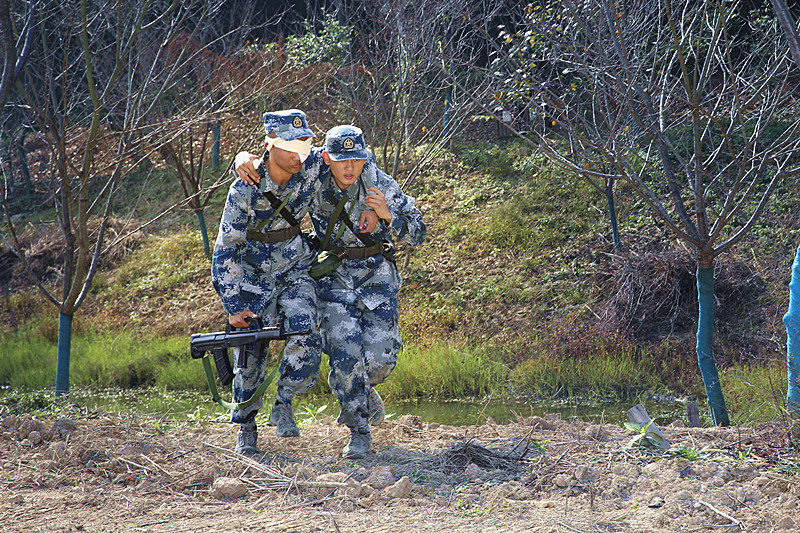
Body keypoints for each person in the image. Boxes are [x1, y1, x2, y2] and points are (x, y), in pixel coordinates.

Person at [212, 109, 324, 454]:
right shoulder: (244, 188)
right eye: (290, 145)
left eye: (303, 145)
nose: (298, 154)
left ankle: (284, 402)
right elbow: (226, 249)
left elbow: (349, 155)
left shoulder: (311, 166)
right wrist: (233, 305)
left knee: (307, 331)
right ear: (270, 145)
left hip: (294, 268)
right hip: (252, 275)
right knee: (250, 354)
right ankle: (246, 426)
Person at [310, 125, 426, 459]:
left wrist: (388, 215)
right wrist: (243, 159)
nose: (350, 168)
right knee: (345, 356)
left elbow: (419, 232)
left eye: (356, 160)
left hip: (376, 279)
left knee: (380, 361)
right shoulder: (313, 182)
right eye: (341, 160)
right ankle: (359, 432)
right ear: (327, 158)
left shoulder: (381, 185)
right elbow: (278, 165)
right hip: (334, 279)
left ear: (365, 158)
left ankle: (363, 391)